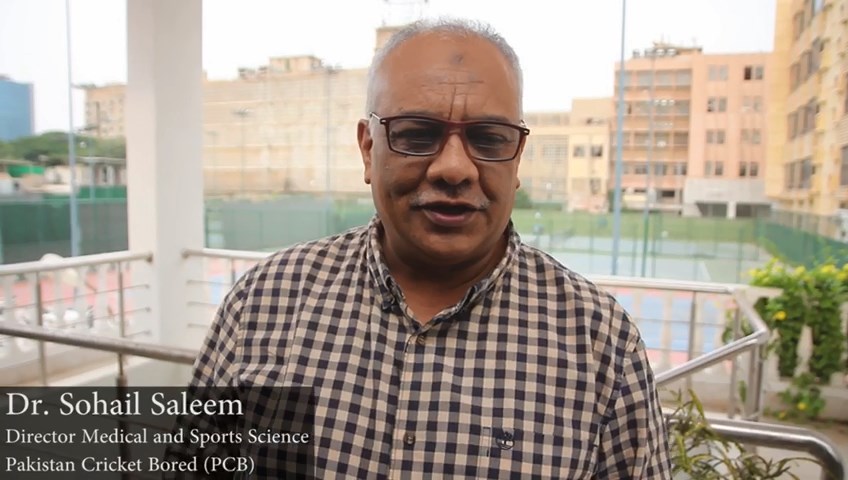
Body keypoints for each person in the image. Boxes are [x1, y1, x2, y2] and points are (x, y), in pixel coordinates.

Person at [185, 17, 672, 479]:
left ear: (517, 157)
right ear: (368, 149)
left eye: (488, 138)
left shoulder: (599, 343)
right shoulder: (265, 301)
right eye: (417, 134)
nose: (454, 168)